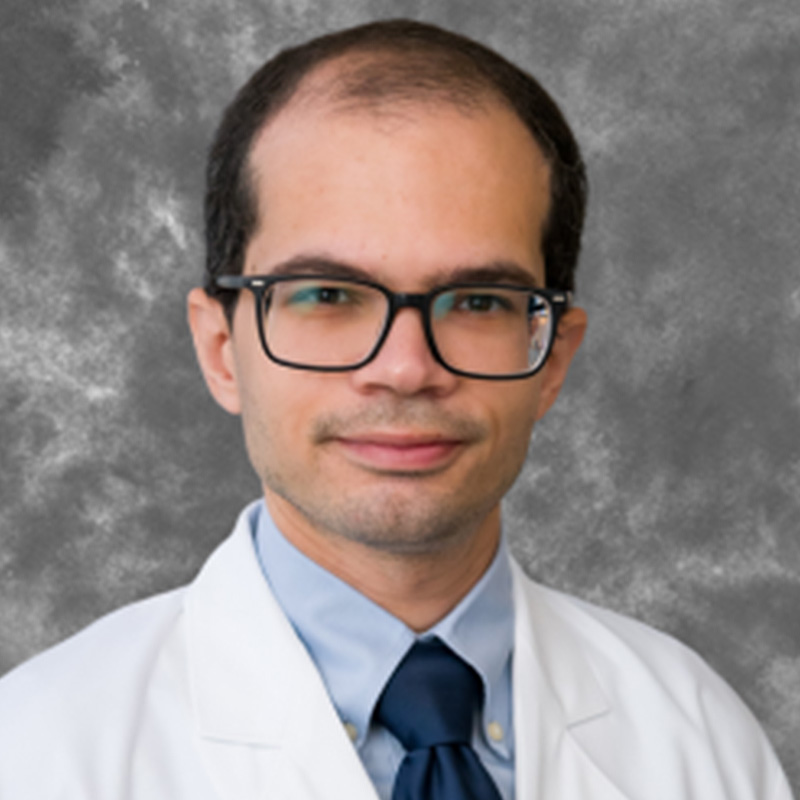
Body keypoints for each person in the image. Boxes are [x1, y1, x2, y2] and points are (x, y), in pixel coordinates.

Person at [0, 18, 792, 800]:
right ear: (221, 350)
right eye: (327, 295)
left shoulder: (697, 739)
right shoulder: (36, 753)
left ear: (551, 358)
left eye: (478, 300)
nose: (404, 369)